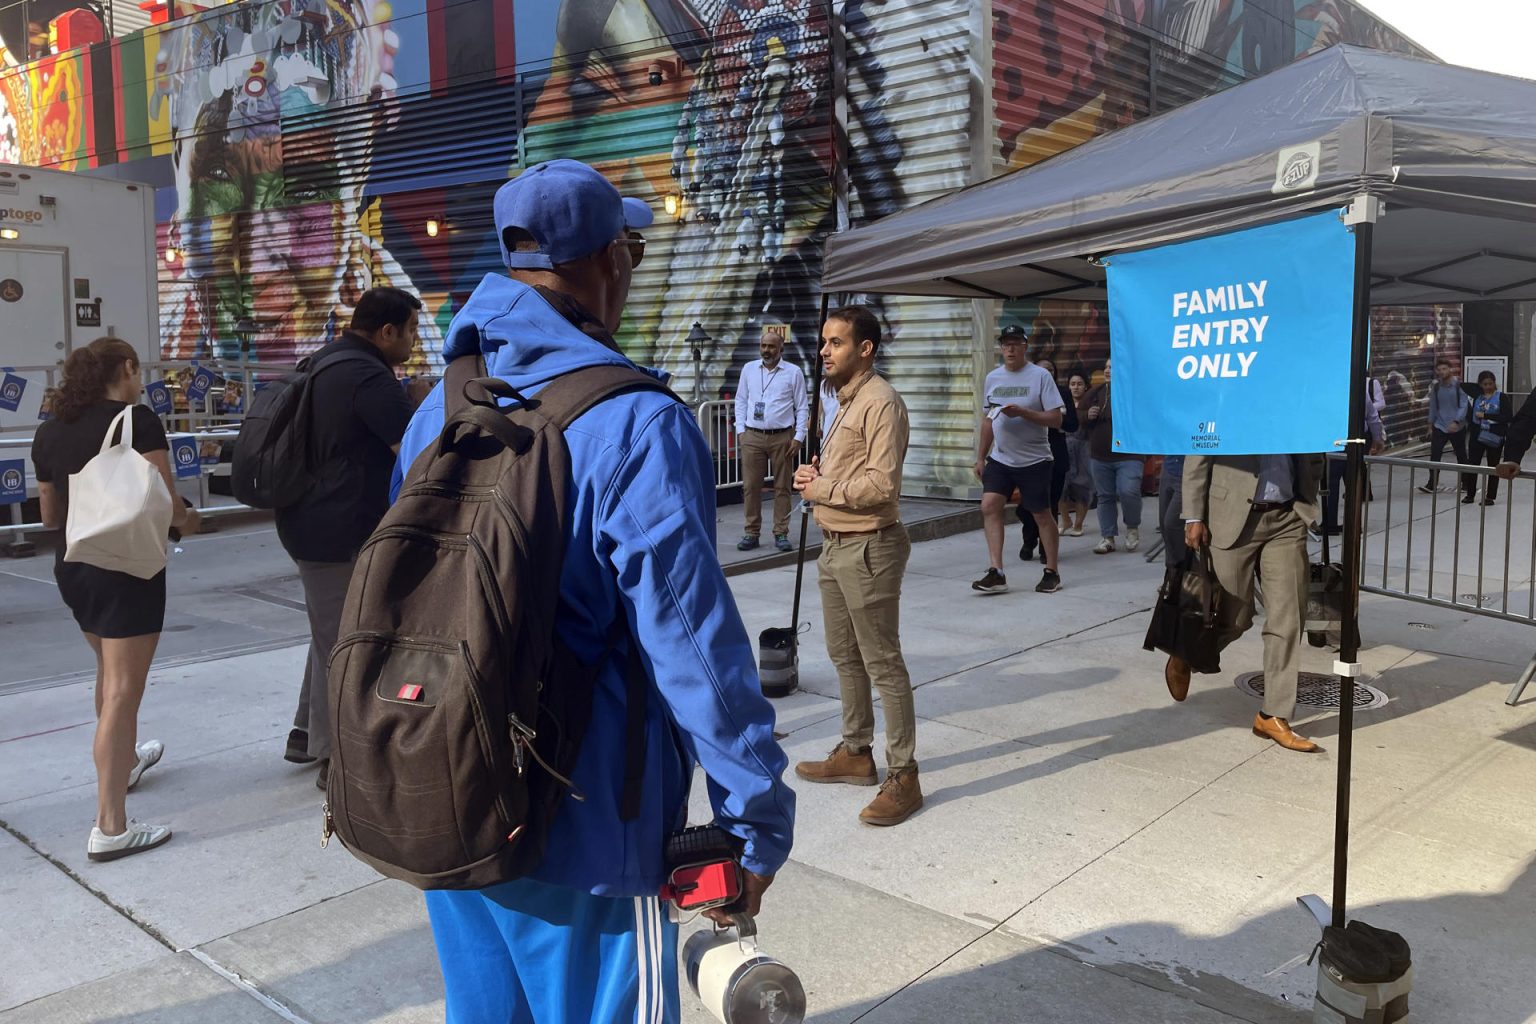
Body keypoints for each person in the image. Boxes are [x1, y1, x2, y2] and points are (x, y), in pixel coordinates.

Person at [391, 158, 794, 1023]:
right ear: (608, 260)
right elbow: (694, 646)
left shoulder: (437, 408)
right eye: (635, 250)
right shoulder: (635, 420)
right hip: (590, 830)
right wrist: (754, 815)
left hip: (451, 797)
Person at [30, 337, 200, 861]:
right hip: (128, 568)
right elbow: (166, 504)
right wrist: (191, 520)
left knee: (107, 673)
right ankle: (111, 825)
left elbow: (51, 517)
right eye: (137, 369)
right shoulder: (138, 422)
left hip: (73, 567)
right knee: (125, 688)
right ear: (126, 369)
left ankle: (123, 765)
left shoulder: (48, 432)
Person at [278, 287, 432, 781]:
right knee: (349, 644)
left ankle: (306, 735)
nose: (413, 342)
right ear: (386, 332)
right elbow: (414, 454)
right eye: (409, 331)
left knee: (330, 634)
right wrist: (423, 407)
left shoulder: (325, 360)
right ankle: (339, 762)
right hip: (341, 531)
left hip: (311, 524)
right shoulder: (368, 375)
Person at [793, 305, 922, 827]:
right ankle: (855, 752)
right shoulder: (841, 400)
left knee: (882, 663)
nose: (824, 351)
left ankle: (905, 775)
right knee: (844, 656)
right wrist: (816, 473)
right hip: (834, 544)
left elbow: (882, 485)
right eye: (823, 342)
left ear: (864, 349)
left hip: (870, 548)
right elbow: (852, 470)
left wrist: (823, 487)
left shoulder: (881, 402)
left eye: (836, 343)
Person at [1174, 454, 1323, 753]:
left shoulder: (1296, 404)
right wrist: (1194, 515)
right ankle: (1186, 655)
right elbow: (1200, 448)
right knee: (1234, 616)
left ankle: (1273, 714)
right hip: (1229, 516)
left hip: (1287, 517)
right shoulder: (1225, 404)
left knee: (1289, 617)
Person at [970, 325, 1065, 594]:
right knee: (989, 505)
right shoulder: (993, 378)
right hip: (1001, 458)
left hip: (1035, 459)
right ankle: (996, 571)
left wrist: (1024, 413)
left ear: (1025, 347)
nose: (1010, 349)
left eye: (1016, 343)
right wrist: (980, 457)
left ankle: (1052, 571)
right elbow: (988, 420)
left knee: (1040, 514)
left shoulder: (1040, 376)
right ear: (1001, 348)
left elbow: (1056, 418)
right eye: (1006, 344)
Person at [733, 326, 809, 552]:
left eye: (771, 346)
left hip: (782, 438)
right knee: (751, 487)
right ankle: (751, 532)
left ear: (781, 348)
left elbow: (802, 407)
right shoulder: (748, 369)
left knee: (783, 487)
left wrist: (798, 437)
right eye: (763, 346)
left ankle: (781, 533)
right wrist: (740, 431)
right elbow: (741, 400)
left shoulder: (793, 372)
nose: (766, 350)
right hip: (752, 435)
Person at [1017, 356, 1078, 565]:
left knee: (1050, 504)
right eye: (1043, 369)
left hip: (1055, 454)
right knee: (1026, 505)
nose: (1047, 374)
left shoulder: (1062, 393)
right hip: (1029, 455)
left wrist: (1055, 421)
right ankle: (1029, 539)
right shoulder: (1026, 391)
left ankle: (1046, 549)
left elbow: (1072, 424)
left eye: (1051, 370)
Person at [1079, 358, 1143, 553]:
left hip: (1130, 454)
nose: (1107, 370)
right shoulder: (1096, 392)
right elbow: (1079, 414)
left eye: (1112, 367)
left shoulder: (1136, 392)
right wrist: (1087, 415)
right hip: (1100, 456)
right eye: (1106, 367)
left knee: (1128, 490)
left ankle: (1132, 528)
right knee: (1105, 496)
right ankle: (1107, 537)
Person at [1320, 385, 1387, 536]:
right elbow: (1372, 416)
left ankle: (1331, 522)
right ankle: (1354, 524)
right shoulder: (1359, 388)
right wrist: (1378, 438)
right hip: (1355, 441)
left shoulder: (1327, 388)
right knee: (1352, 483)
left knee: (1332, 482)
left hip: (1335, 441)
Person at [1420, 357, 1474, 501]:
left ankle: (1466, 483)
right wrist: (1430, 425)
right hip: (1440, 425)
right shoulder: (1437, 387)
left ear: (1450, 369)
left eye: (1444, 369)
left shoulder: (1459, 386)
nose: (1442, 372)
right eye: (1439, 369)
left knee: (1461, 455)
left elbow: (1463, 405)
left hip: (1457, 426)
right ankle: (1432, 483)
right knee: (1435, 455)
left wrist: (1456, 421)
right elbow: (1433, 406)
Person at [1468, 371, 1511, 506]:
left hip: (1494, 435)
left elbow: (1507, 416)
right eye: (1485, 384)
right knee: (1473, 464)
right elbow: (1472, 416)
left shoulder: (1501, 397)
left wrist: (1486, 416)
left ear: (1494, 383)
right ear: (1480, 385)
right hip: (1477, 434)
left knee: (1493, 465)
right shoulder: (1478, 398)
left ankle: (1490, 496)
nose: (1487, 387)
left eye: (1490, 384)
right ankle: (1470, 494)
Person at [1060, 369, 1092, 536]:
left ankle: (1078, 524)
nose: (1076, 387)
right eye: (1072, 384)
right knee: (1060, 487)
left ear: (1086, 386)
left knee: (1082, 486)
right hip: (1064, 445)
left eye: (1079, 384)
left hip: (1084, 448)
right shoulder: (1062, 403)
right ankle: (1065, 520)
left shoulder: (1091, 403)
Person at [1158, 455, 1186, 567]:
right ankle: (1171, 575)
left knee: (1172, 524)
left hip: (1189, 471)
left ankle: (1182, 571)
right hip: (1169, 466)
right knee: (1164, 525)